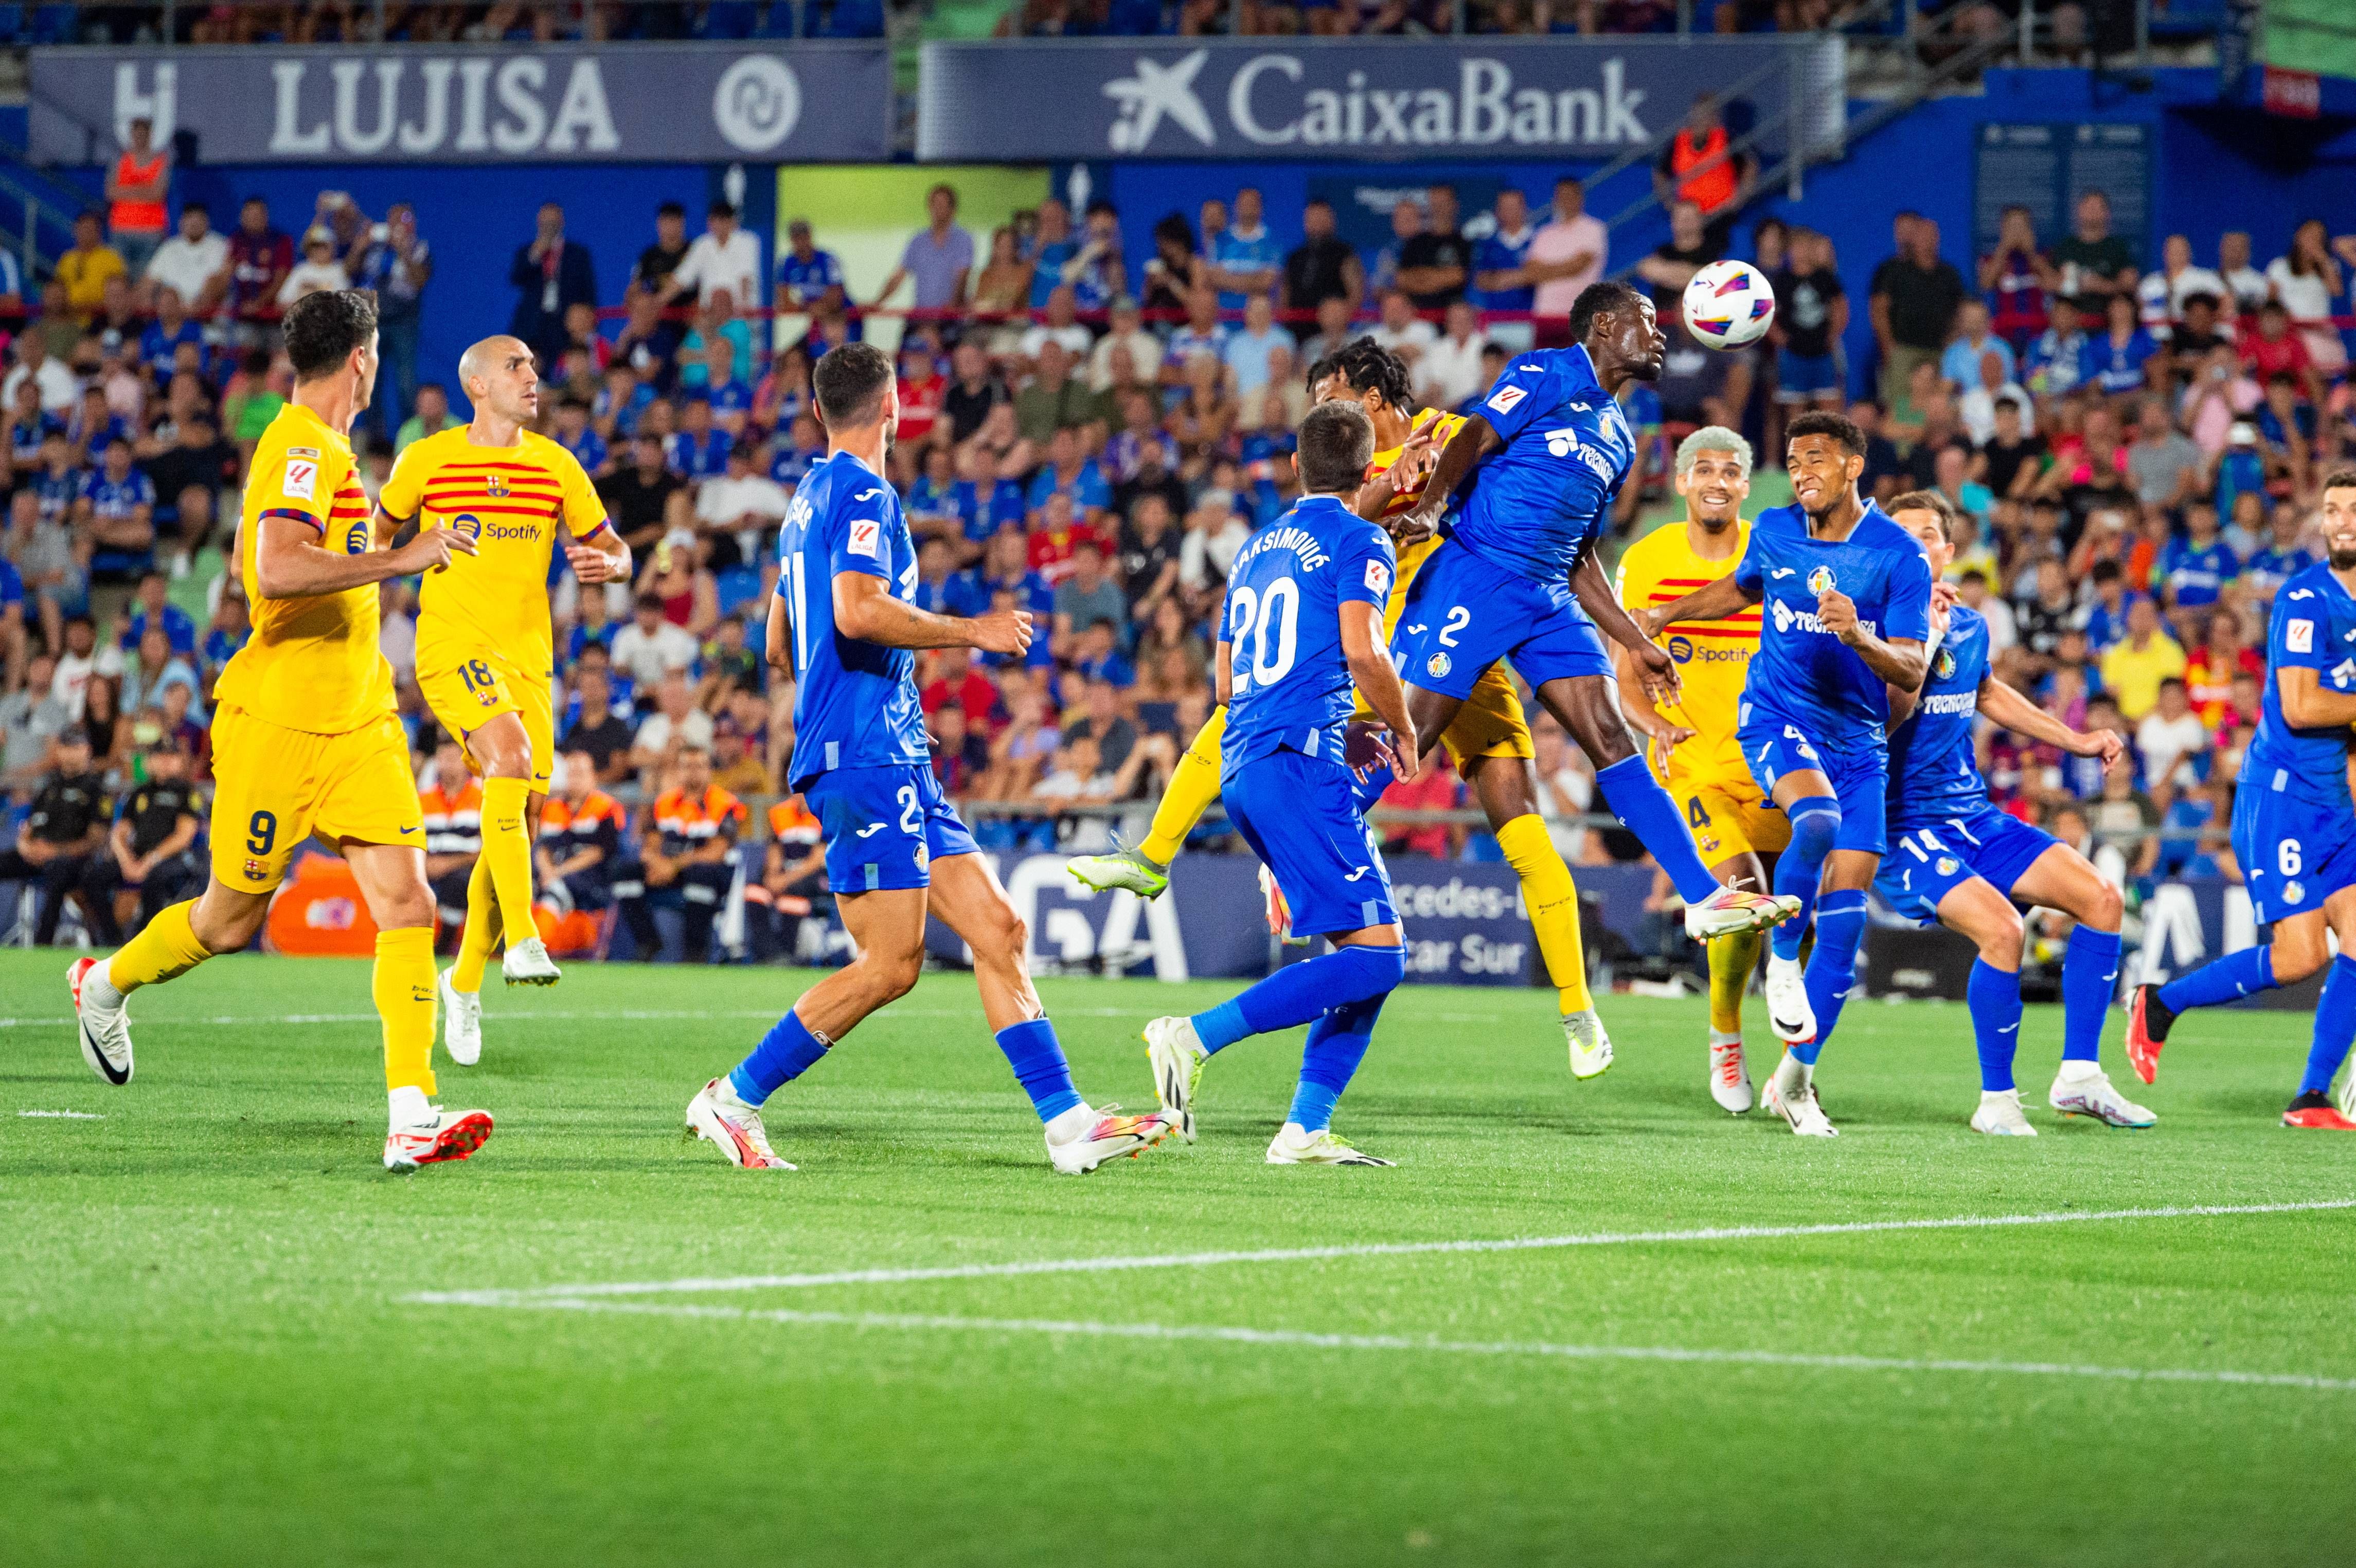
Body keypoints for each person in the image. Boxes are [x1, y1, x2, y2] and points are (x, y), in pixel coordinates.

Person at [684, 341, 1173, 1175]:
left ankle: (1067, 1124)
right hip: (867, 755)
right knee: (892, 963)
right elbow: (857, 610)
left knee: (1000, 927)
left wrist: (886, 692)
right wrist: (968, 631)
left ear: (816, 411)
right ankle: (732, 1097)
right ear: (894, 407)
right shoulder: (865, 490)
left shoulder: (807, 497)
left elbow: (778, 639)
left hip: (891, 748)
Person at [1074, 338, 1610, 1073]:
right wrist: (1394, 485)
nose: (1323, 413)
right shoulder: (1356, 485)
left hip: (1463, 651)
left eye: (1333, 397)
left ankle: (1578, 1008)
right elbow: (1355, 511)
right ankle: (1168, 857)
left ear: (1374, 396)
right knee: (1260, 731)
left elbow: (1494, 512)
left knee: (1520, 823)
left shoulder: (1453, 437)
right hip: (1386, 658)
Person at [66, 289, 495, 1171]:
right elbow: (274, 562)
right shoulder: (299, 443)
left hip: (359, 719)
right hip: (278, 725)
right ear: (365, 360)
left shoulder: (324, 450)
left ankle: (411, 1111)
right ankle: (103, 981)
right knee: (228, 921)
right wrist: (401, 556)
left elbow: (245, 556)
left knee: (410, 903)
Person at [1388, 283, 1798, 965]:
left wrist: (1639, 643)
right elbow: (1475, 437)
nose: (1661, 335)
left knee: (1611, 736)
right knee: (1414, 737)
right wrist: (1431, 507)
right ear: (1605, 326)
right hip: (1479, 572)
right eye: (1648, 321)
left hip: (1549, 598)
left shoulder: (1618, 438)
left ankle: (1705, 898)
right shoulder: (1546, 372)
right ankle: (1302, 842)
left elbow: (1581, 557)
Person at [1638, 411, 1936, 1137]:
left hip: (1859, 742)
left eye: (1817, 460)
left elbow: (1914, 669)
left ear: (1853, 467)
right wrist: (1669, 613)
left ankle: (1796, 1081)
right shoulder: (1774, 529)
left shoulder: (1898, 557)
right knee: (1818, 822)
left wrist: (1859, 634)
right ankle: (1777, 964)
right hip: (1774, 718)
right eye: (1794, 461)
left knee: (1842, 929)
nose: (1801, 472)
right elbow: (1742, 590)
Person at [1137, 401, 1414, 1165]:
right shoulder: (1364, 540)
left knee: (1363, 952)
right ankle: (1192, 1038)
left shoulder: (1256, 548)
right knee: (1379, 957)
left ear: (1296, 467)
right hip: (1299, 764)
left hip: (1246, 760)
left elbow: (1226, 682)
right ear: (1370, 472)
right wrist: (1400, 723)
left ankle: (1306, 1129)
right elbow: (1364, 653)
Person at [376, 334, 631, 1063]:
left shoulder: (555, 464)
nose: (534, 376)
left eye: (534, 365)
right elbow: (374, 532)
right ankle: (523, 936)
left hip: (530, 666)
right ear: (477, 385)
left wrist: (609, 564)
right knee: (510, 762)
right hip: (452, 648)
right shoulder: (427, 459)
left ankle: (462, 982)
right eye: (518, 366)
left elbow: (616, 546)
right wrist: (407, 556)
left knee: (515, 812)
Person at [1873, 491, 2153, 1134]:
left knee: (2102, 899)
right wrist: (1926, 636)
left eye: (1928, 535)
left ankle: (2079, 1075)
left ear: (1949, 551)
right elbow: (1885, 713)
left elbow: (1989, 692)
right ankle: (1995, 1100)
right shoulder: (1867, 626)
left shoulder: (1969, 624)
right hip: (1902, 826)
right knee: (2003, 931)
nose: (1916, 546)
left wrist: (2076, 739)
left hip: (1972, 815)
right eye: (1901, 535)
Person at [2127, 471, 2356, 1131]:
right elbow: (2300, 704)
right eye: (2333, 510)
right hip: (2279, 797)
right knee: (2299, 957)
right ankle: (2159, 1003)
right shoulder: (2304, 598)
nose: (2342, 521)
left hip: (2331, 803)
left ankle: (2310, 1096)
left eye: (2353, 510)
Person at [1612, 428, 1789, 1114]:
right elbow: (1623, 677)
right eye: (1704, 469)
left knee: (1794, 918)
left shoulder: (1773, 553)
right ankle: (1726, 1041)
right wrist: (1653, 724)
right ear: (1681, 481)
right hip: (1695, 769)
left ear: (1747, 485)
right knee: (1741, 895)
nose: (1718, 480)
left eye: (1733, 470)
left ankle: (1795, 1072)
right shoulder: (1647, 560)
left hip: (1780, 767)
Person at [613, 744, 742, 963]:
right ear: (678, 770)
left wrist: (672, 866)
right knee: (624, 872)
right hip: (667, 870)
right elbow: (650, 845)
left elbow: (717, 852)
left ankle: (695, 954)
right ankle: (648, 943)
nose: (694, 771)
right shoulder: (664, 802)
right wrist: (657, 863)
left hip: (709, 873)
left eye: (700, 766)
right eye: (688, 766)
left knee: (700, 875)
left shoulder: (725, 803)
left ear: (709, 770)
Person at [0, 726, 112, 946]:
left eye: (76, 747)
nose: (70, 752)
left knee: (58, 870)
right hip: (36, 854)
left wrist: (55, 851)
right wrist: (25, 846)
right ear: (58, 750)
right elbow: (30, 826)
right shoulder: (49, 785)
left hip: (73, 860)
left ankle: (44, 942)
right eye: (66, 747)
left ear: (87, 750)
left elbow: (96, 840)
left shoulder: (96, 789)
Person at [350, 203, 432, 448]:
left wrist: (403, 251)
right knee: (370, 384)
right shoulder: (374, 247)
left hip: (403, 324)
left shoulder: (419, 249)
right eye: (392, 219)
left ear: (412, 223)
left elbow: (419, 281)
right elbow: (351, 270)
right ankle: (377, 444)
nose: (397, 225)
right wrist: (360, 246)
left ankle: (411, 439)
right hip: (373, 323)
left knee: (406, 384)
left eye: (403, 219)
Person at [1870, 213, 1966, 411]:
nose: (1926, 239)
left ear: (1938, 238)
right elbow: (1879, 311)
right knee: (1903, 405)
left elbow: (1961, 311)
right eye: (1921, 235)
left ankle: (1934, 441)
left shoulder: (1949, 274)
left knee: (1939, 403)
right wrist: (1889, 348)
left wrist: (1953, 342)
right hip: (1904, 350)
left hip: (1941, 352)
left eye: (1931, 234)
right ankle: (1906, 442)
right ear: (1914, 239)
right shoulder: (1895, 272)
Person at [508, 203, 597, 370]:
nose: (549, 227)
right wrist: (536, 254)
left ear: (561, 223)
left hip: (565, 323)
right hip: (532, 324)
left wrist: (588, 327)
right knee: (528, 370)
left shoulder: (577, 253)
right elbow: (516, 278)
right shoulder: (528, 252)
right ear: (538, 223)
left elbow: (589, 291)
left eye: (553, 223)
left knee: (562, 370)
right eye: (545, 223)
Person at [871, 183, 973, 318]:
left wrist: (951, 308)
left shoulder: (963, 239)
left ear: (952, 209)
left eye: (942, 205)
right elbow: (899, 276)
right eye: (934, 204)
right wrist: (877, 302)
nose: (937, 209)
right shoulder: (918, 241)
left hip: (950, 319)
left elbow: (962, 277)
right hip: (921, 317)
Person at [1527, 176, 1605, 338]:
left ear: (1581, 198)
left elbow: (1578, 267)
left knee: (1580, 364)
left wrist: (1545, 271)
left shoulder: (1594, 229)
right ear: (1555, 200)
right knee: (1546, 364)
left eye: (1570, 195)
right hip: (1545, 315)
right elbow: (1531, 272)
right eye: (1561, 196)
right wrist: (1565, 267)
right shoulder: (1544, 233)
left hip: (1581, 317)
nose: (1566, 200)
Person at [665, 200, 763, 312]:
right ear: (709, 222)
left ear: (733, 221)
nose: (719, 224)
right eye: (715, 220)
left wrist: (744, 311)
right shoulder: (702, 244)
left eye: (724, 220)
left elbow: (746, 277)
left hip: (740, 316)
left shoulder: (747, 241)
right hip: (710, 317)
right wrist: (658, 302)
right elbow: (683, 277)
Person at [104, 118, 171, 277]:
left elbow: (157, 195)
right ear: (132, 135)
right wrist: (144, 191)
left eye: (143, 134)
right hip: (121, 228)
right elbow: (111, 193)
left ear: (150, 135)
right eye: (137, 134)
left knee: (146, 279)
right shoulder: (120, 161)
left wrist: (126, 191)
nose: (140, 137)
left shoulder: (161, 162)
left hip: (151, 230)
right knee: (119, 277)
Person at [145, 201, 228, 316]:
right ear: (181, 222)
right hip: (171, 312)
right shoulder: (170, 247)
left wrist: (198, 305)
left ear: (207, 222)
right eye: (190, 219)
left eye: (199, 219)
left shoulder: (220, 245)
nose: (194, 223)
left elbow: (220, 281)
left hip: (206, 312)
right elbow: (150, 280)